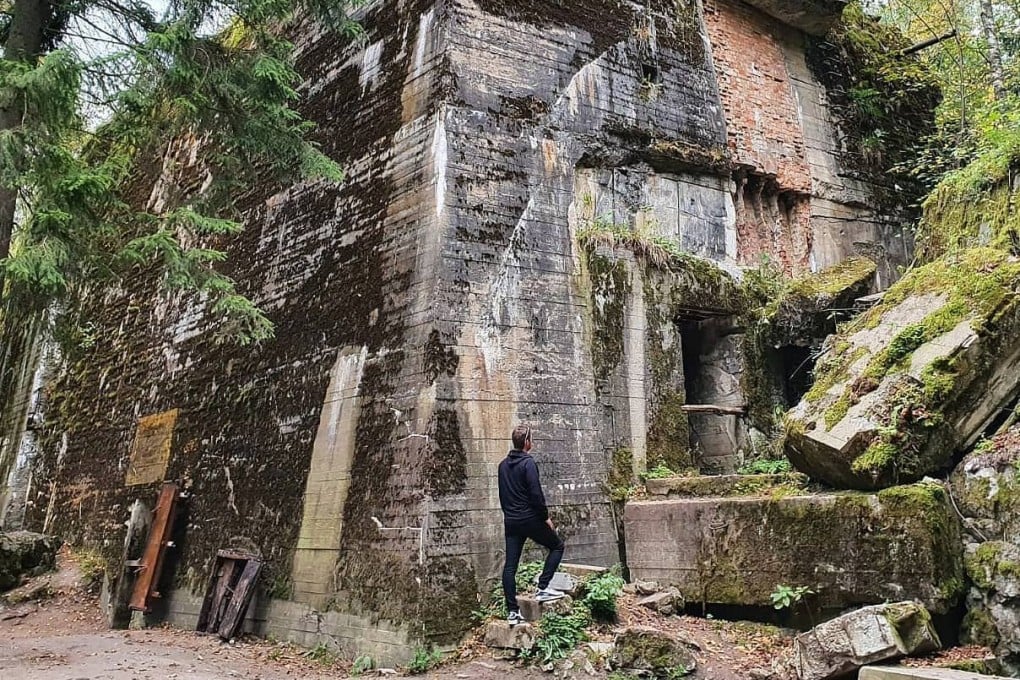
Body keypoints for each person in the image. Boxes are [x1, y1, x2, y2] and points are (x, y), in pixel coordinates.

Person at [498, 424, 566, 626]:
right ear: (527, 442)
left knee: (510, 566)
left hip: (511, 521)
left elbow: (502, 495)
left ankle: (512, 612)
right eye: (532, 439)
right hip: (529, 519)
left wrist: (510, 515)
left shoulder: (502, 465)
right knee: (557, 546)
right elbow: (536, 495)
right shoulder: (528, 463)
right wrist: (545, 517)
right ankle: (543, 588)